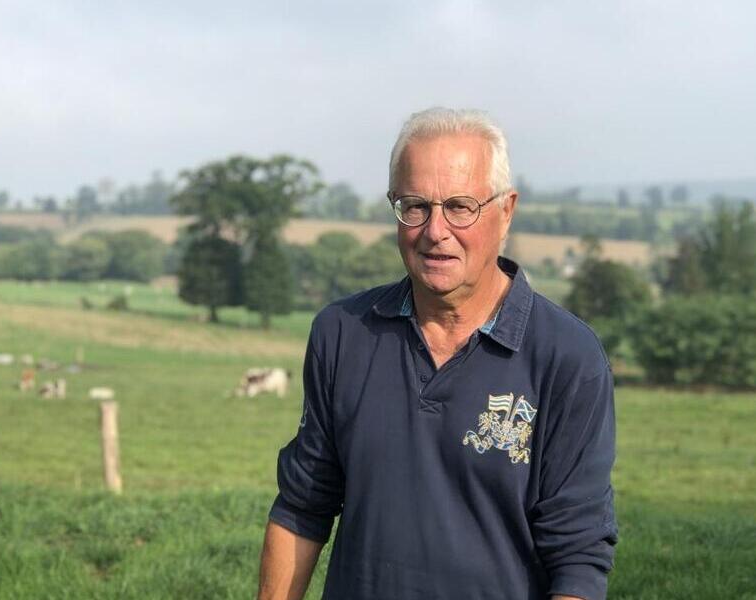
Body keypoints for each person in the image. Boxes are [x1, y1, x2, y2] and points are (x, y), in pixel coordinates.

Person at [258, 108, 618, 600]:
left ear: (506, 210)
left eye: (460, 206)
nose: (434, 230)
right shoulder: (342, 334)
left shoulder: (567, 356)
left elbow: (578, 555)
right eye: (414, 206)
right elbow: (302, 508)